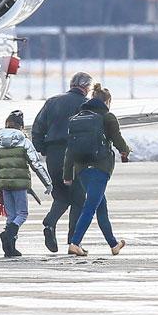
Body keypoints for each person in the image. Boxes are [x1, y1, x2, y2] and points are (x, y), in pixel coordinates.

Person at [63, 83, 130, 256]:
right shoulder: (107, 117)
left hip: (82, 170)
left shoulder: (78, 117)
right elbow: (117, 138)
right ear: (107, 101)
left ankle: (113, 244)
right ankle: (75, 243)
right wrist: (125, 150)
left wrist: (67, 174)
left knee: (101, 207)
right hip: (100, 168)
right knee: (90, 207)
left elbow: (70, 149)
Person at [32, 72, 93, 253]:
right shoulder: (86, 105)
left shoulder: (52, 102)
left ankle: (50, 223)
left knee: (61, 195)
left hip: (53, 154)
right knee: (79, 199)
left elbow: (37, 128)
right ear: (86, 87)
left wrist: (43, 148)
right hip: (75, 155)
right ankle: (74, 241)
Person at [0, 110, 52, 257]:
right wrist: (48, 182)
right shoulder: (24, 142)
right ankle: (7, 235)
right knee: (22, 214)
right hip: (20, 185)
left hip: (4, 185)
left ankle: (10, 248)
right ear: (21, 126)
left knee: (11, 215)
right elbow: (36, 164)